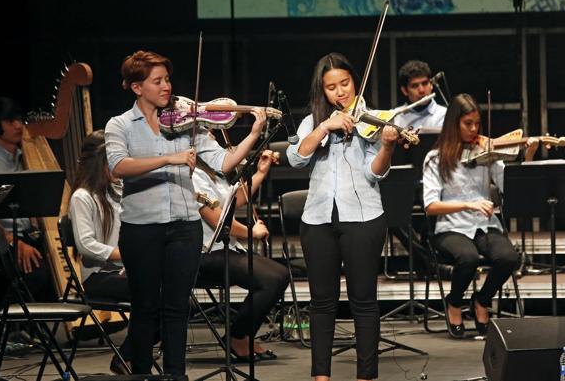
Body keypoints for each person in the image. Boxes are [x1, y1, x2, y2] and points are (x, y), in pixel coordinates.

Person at [104, 50, 266, 376]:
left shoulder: (186, 123)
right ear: (137, 87)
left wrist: (253, 134)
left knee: (177, 308)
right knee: (145, 308)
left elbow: (223, 163)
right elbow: (118, 166)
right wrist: (168, 160)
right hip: (142, 228)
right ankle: (141, 374)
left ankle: (176, 374)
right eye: (157, 81)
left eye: (168, 79)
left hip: (184, 227)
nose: (167, 87)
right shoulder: (120, 125)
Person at [286, 52, 398, 381]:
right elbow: (296, 158)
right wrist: (324, 126)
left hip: (363, 216)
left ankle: (366, 377)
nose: (340, 92)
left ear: (355, 82)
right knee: (322, 303)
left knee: (363, 301)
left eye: (345, 83)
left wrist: (388, 147)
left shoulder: (372, 119)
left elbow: (375, 172)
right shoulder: (312, 121)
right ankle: (321, 376)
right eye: (331, 87)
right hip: (317, 219)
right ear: (322, 91)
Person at [422, 93, 535, 338]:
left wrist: (527, 155)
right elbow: (430, 205)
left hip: (484, 224)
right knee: (468, 258)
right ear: (454, 124)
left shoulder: (487, 152)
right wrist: (468, 204)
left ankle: (482, 300)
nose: (474, 129)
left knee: (508, 257)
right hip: (450, 228)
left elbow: (510, 187)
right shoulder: (435, 158)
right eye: (467, 124)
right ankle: (454, 302)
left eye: (477, 123)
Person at [192, 148, 288, 362]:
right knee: (270, 279)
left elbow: (234, 199)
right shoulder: (192, 174)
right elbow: (218, 219)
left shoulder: (211, 171)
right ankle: (237, 337)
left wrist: (260, 173)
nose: (217, 143)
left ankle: (242, 335)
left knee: (280, 275)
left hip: (224, 249)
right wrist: (251, 233)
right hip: (203, 253)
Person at [68, 129, 139, 374]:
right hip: (98, 277)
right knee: (153, 293)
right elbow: (86, 245)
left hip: (122, 270)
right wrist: (128, 256)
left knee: (171, 294)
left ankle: (134, 357)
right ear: (101, 163)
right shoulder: (82, 197)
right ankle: (130, 357)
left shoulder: (117, 193)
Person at [0, 97, 54, 305]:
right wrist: (13, 241)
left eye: (19, 120)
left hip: (26, 235)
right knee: (38, 274)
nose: (18, 126)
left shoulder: (24, 156)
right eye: (10, 121)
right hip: (3, 240)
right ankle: (6, 326)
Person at [393, 60, 446, 131]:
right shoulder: (394, 117)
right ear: (404, 90)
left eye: (425, 83)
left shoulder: (445, 115)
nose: (421, 90)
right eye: (415, 86)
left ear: (431, 85)